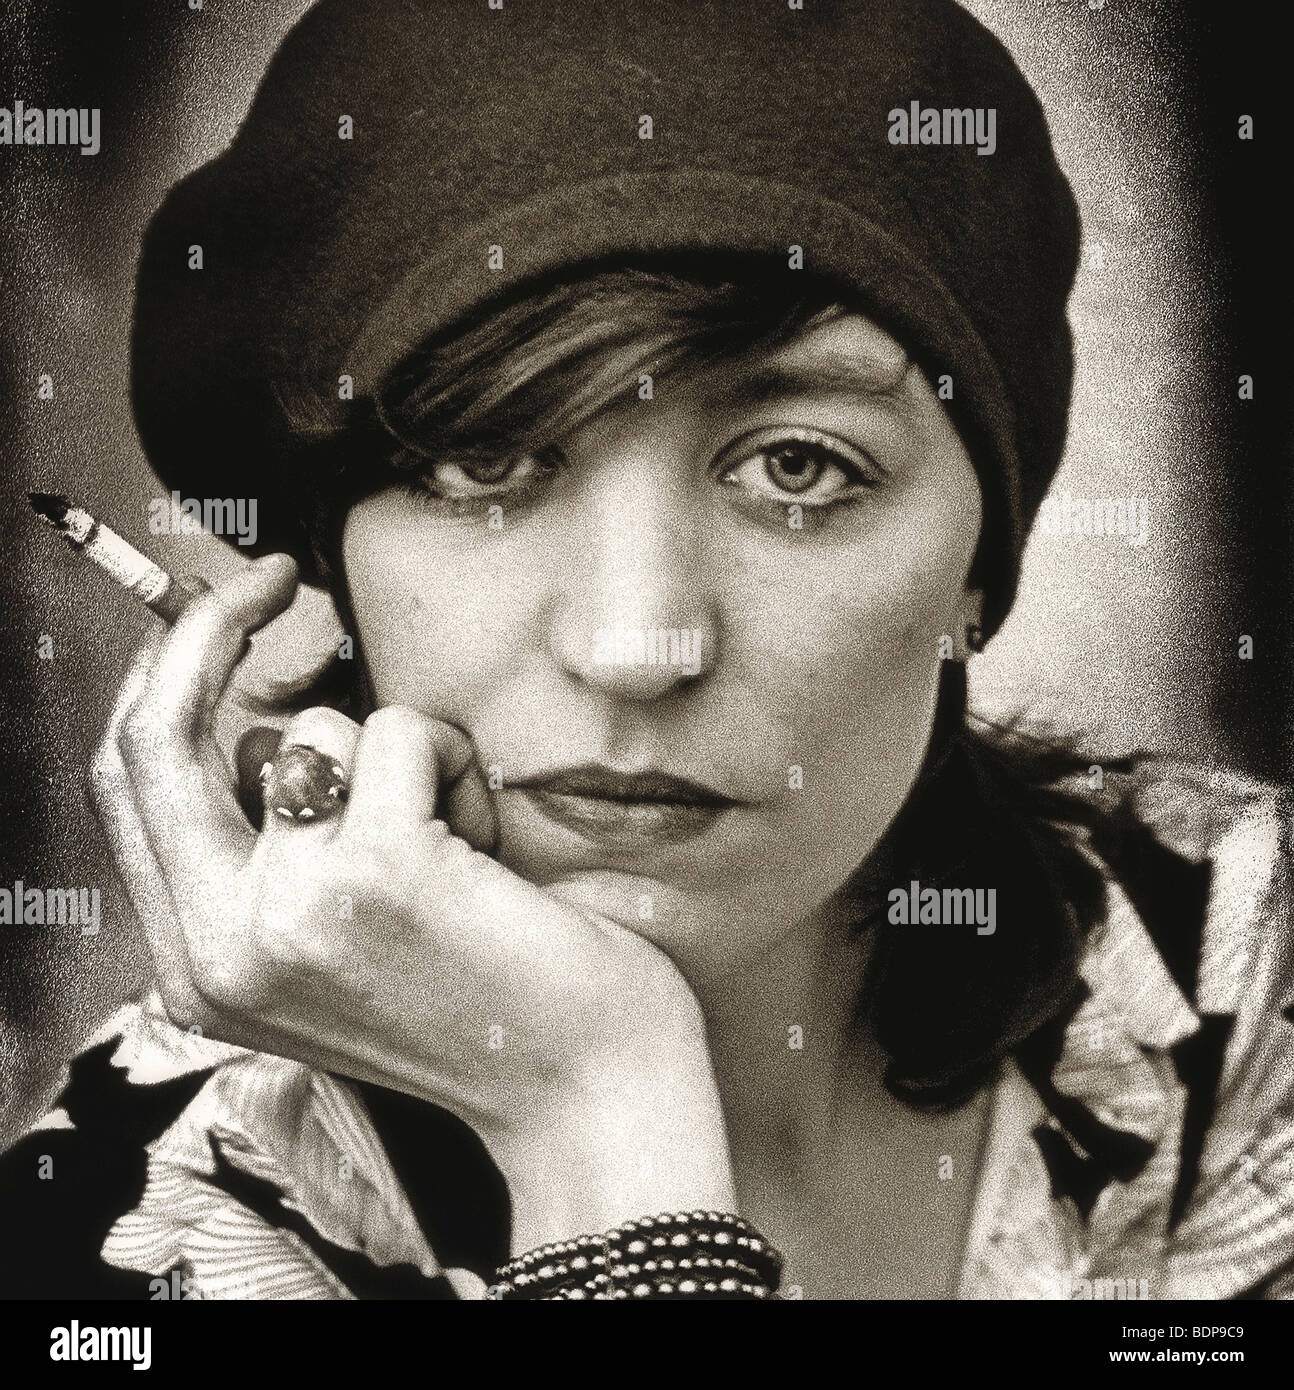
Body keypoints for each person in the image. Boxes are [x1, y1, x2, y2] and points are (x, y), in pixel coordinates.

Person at [2, 0, 1291, 1301]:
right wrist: (598, 1110)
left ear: (974, 573)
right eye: (481, 458)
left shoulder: (1228, 976)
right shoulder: (129, 1237)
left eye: (798, 465)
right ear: (333, 565)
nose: (633, 644)